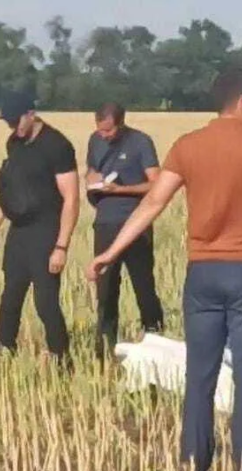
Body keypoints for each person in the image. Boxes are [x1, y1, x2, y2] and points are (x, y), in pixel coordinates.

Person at [86, 68, 242, 471]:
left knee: (199, 379)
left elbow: (152, 202)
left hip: (202, 275)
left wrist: (111, 252)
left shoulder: (187, 144)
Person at [0, 91, 80, 369]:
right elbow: (10, 192)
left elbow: (71, 198)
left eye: (16, 121)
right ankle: (3, 347)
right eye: (9, 122)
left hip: (46, 229)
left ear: (31, 114)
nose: (13, 127)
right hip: (19, 229)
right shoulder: (14, 143)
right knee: (11, 293)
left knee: (45, 299)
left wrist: (61, 246)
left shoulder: (57, 145)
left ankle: (60, 356)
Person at [85, 102, 166, 362]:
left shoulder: (141, 142)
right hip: (105, 222)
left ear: (120, 123)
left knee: (143, 285)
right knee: (106, 288)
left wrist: (120, 190)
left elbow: (156, 183)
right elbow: (91, 169)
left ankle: (155, 339)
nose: (104, 136)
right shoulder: (94, 141)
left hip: (136, 223)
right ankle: (105, 349)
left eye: (108, 131)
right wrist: (92, 181)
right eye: (100, 131)